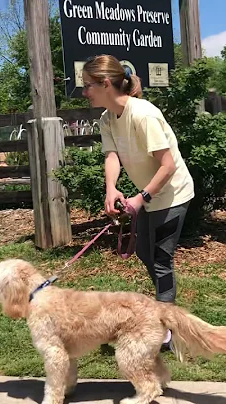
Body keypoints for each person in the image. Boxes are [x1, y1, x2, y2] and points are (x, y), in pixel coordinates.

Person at [81, 54, 195, 350]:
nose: (84, 92)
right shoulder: (108, 118)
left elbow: (167, 165)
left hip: (172, 193)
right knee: (144, 253)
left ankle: (167, 332)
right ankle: (165, 312)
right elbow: (111, 156)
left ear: (106, 84)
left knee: (160, 260)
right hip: (147, 196)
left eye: (88, 86)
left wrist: (140, 197)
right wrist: (111, 189)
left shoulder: (143, 114)